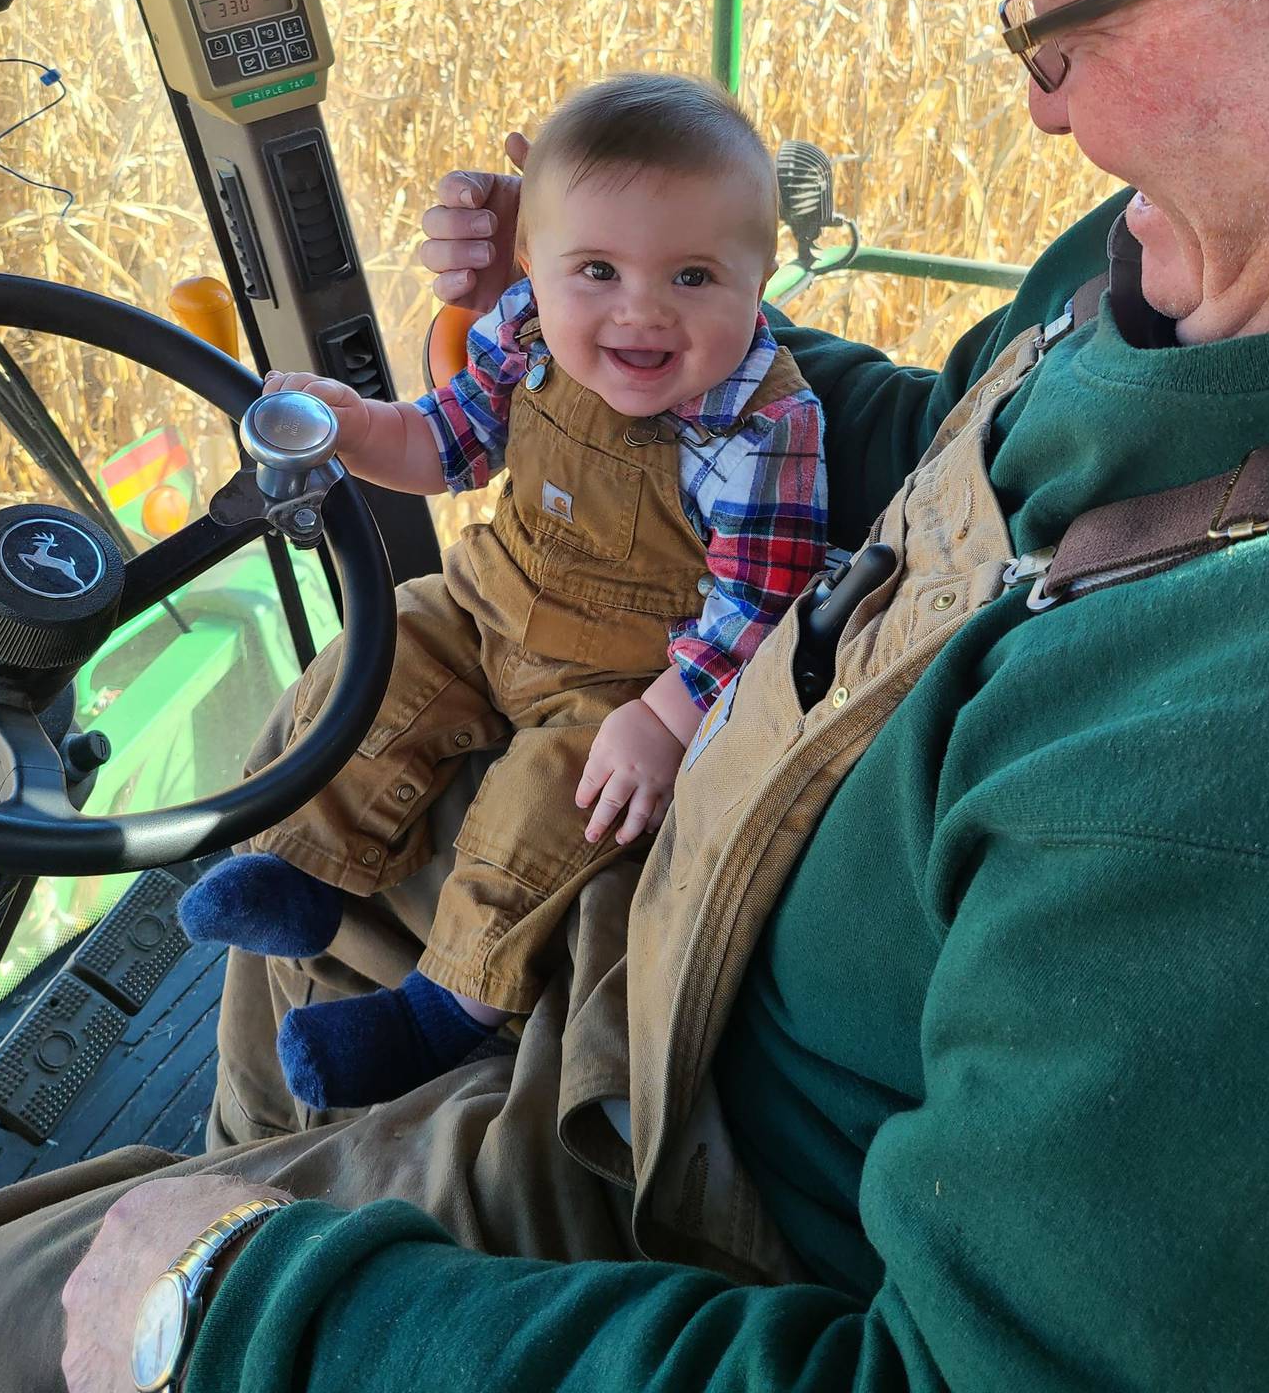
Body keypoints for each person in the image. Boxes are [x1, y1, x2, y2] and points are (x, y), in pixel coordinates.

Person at [0, 0, 1269, 1388]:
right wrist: (630, 316)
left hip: (679, 1157)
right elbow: (947, 449)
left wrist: (251, 1313)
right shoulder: (1184, 271)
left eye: (1066, 34)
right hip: (701, 884)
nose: (1044, 116)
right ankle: (290, 1161)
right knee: (309, 773)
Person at [177, 72, 827, 1109]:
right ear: (533, 265)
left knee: (552, 804)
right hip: (489, 608)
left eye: (696, 276)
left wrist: (667, 716)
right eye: (599, 270)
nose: (642, 311)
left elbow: (761, 605)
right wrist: (351, 423)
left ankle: (444, 1007)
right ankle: (300, 871)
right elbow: (443, 443)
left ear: (764, 278)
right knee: (376, 660)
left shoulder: (760, 427)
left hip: (623, 678)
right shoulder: (526, 332)